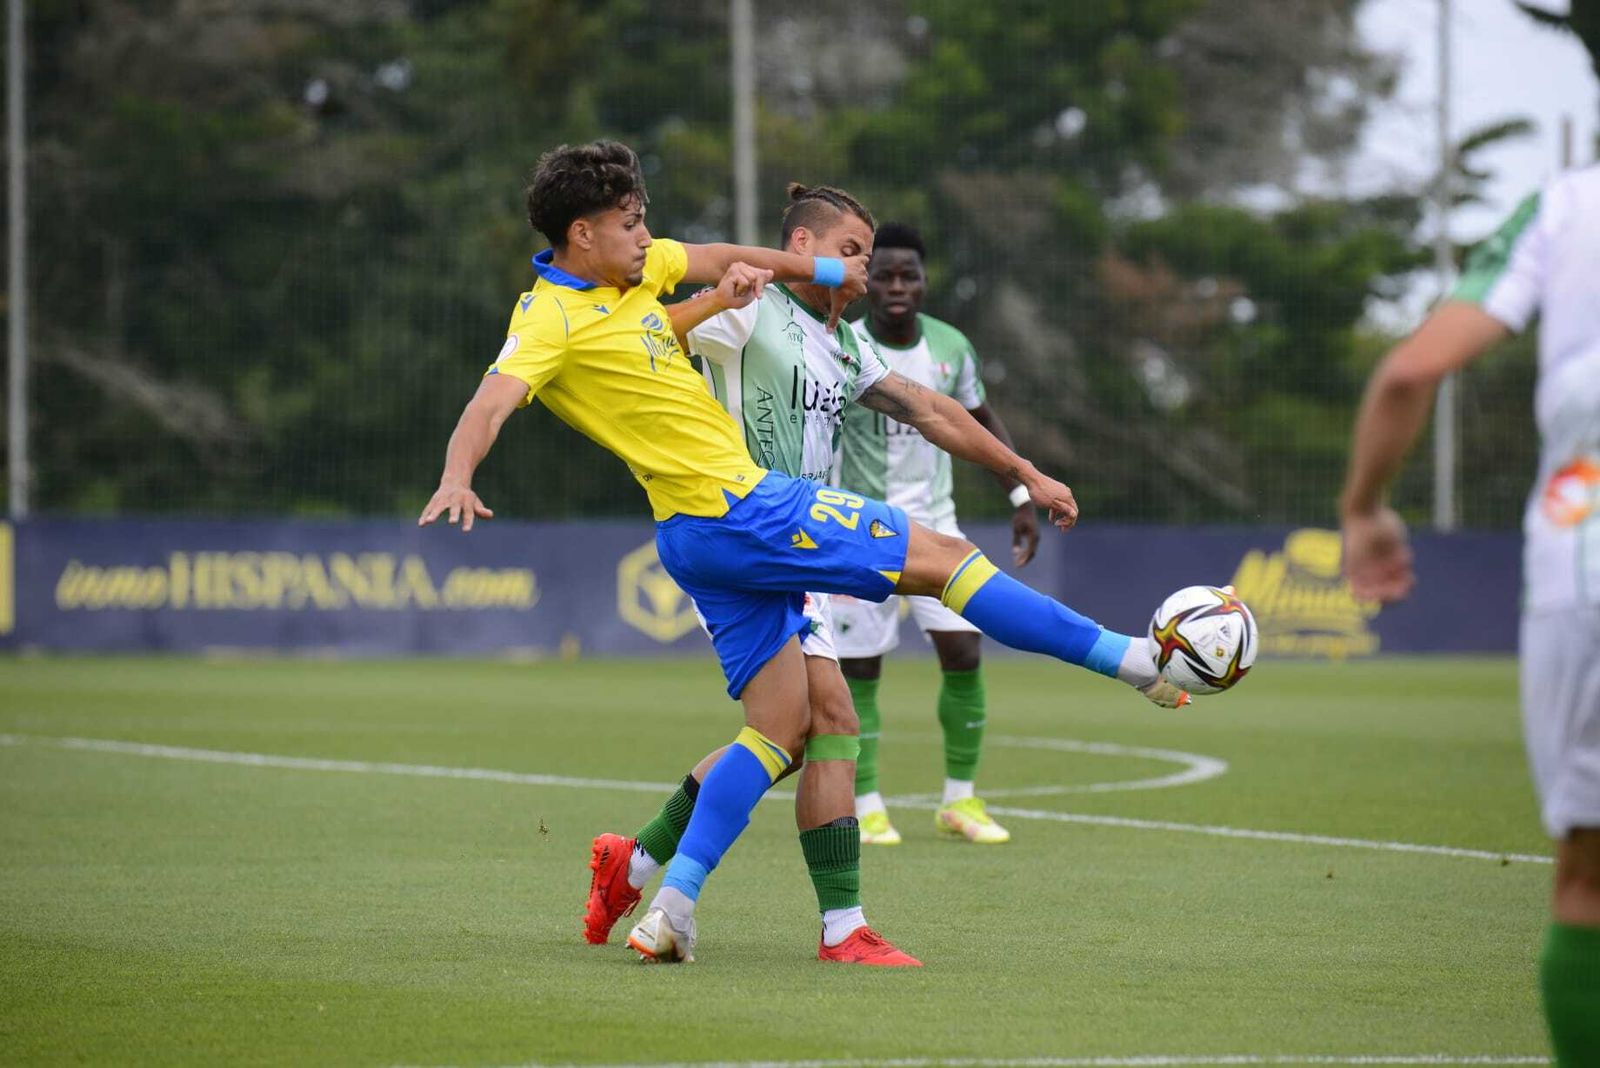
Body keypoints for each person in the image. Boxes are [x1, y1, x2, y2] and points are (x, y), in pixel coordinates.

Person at [420, 140, 1190, 967]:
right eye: (631, 224)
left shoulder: (676, 294)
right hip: (747, 510)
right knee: (940, 559)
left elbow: (909, 397)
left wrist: (1021, 471)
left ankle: (660, 892)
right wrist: (458, 474)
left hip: (706, 534)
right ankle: (1133, 660)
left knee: (787, 730)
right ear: (582, 233)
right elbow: (492, 401)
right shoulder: (605, 317)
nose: (646, 238)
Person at [1339, 164, 1600, 1065]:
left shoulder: (1567, 206)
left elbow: (1411, 370)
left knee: (1588, 879)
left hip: (1585, 559)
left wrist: (1363, 508)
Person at [833, 221, 1038, 847]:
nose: (897, 286)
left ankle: (960, 800)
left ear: (924, 283)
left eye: (909, 275)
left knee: (964, 651)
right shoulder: (838, 342)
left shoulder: (952, 347)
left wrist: (1020, 494)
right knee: (860, 667)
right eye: (885, 275)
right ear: (867, 282)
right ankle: (866, 804)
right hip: (859, 527)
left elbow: (981, 420)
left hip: (937, 527)